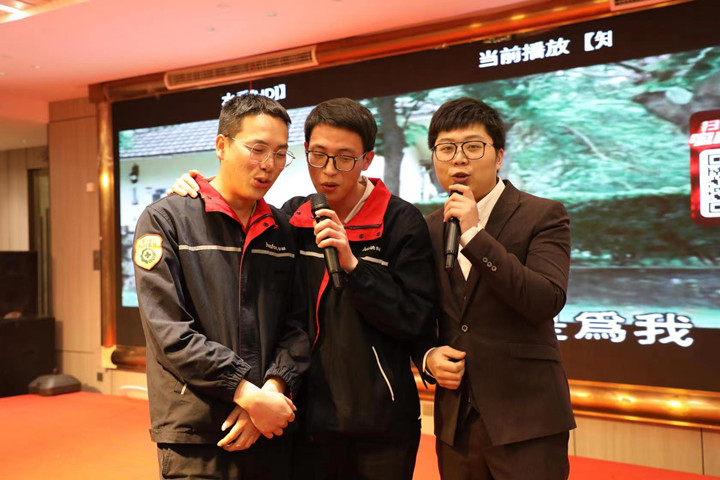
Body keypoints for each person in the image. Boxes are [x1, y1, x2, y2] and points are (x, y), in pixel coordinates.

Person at [170, 97, 437, 480]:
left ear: (367, 159)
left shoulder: (401, 221)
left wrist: (353, 266)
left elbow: (414, 318)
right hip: (303, 419)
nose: (328, 170)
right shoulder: (292, 218)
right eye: (318, 155)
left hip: (380, 424)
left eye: (344, 158)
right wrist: (196, 189)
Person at [133, 93, 310, 480]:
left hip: (269, 426)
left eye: (281, 153)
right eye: (257, 149)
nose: (269, 164)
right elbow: (169, 331)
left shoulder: (282, 230)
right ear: (221, 146)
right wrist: (244, 392)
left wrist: (271, 391)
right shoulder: (167, 220)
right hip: (197, 430)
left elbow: (297, 325)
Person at [422, 97, 576, 479]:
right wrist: (427, 356)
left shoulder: (543, 214)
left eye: (473, 147)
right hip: (456, 423)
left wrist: (475, 235)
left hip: (528, 420)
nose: (459, 160)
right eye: (446, 148)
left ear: (499, 156)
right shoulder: (429, 228)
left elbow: (545, 299)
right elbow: (418, 311)